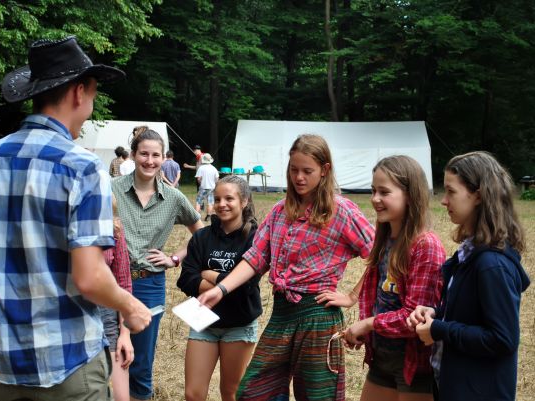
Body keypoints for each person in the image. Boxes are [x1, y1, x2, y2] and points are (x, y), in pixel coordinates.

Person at [0, 36, 151, 401]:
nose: (91, 104)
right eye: (93, 93)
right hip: (70, 368)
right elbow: (89, 278)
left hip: (1, 367)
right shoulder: (82, 167)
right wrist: (131, 306)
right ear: (78, 92)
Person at [199, 134, 375, 401]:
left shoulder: (341, 211)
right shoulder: (280, 211)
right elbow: (255, 258)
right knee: (253, 391)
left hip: (318, 315)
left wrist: (352, 296)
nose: (299, 177)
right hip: (282, 314)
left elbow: (381, 254)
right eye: (294, 170)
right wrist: (221, 289)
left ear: (324, 170)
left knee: (317, 395)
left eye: (307, 171)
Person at [319, 155, 446, 401]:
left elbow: (414, 317)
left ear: (410, 195)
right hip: (382, 359)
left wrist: (368, 324)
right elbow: (382, 297)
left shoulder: (425, 246)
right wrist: (367, 331)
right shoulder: (386, 240)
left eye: (384, 192)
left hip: (413, 366)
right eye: (373, 190)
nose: (375, 199)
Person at [407, 151, 530, 401]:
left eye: (451, 191)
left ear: (478, 195)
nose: (443, 200)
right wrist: (435, 314)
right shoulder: (470, 254)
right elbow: (470, 316)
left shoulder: (491, 264)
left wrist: (439, 329)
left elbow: (502, 339)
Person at [111, 127, 204, 401]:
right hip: (111, 283)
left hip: (149, 284)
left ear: (164, 158)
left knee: (140, 359)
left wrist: (173, 258)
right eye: (144, 154)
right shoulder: (110, 189)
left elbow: (201, 234)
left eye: (156, 155)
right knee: (108, 354)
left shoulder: (173, 198)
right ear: (133, 155)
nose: (149, 161)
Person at [177, 175, 262, 401]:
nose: (221, 204)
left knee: (230, 392)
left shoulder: (255, 238)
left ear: (243, 201)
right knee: (193, 394)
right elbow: (185, 279)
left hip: (239, 323)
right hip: (203, 320)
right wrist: (225, 283)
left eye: (229, 198)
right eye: (217, 199)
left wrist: (209, 274)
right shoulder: (202, 237)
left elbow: (246, 286)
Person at [101, 194, 133, 401]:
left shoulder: (115, 232)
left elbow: (124, 283)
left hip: (107, 314)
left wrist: (125, 334)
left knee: (121, 396)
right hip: (74, 316)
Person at [195, 153, 219, 222]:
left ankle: (197, 217)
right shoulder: (214, 169)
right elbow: (217, 179)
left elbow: (198, 179)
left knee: (198, 202)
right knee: (210, 202)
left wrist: (200, 183)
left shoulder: (201, 168)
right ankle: (208, 216)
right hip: (212, 188)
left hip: (203, 187)